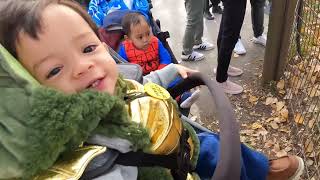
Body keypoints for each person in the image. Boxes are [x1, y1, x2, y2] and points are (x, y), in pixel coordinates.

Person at [0, 0, 304, 179]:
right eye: (54, 69)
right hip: (172, 165)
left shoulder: (110, 81)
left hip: (178, 134)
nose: (82, 66)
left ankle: (260, 169)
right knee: (217, 149)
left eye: (89, 47)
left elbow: (139, 86)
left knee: (220, 141)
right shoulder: (86, 160)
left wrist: (173, 70)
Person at [118, 12, 200, 109]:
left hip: (161, 71)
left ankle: (183, 97)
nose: (145, 39)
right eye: (140, 37)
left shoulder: (155, 41)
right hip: (144, 79)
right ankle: (174, 100)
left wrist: (161, 71)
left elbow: (166, 58)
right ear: (128, 39)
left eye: (148, 33)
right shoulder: (124, 50)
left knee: (177, 78)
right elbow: (125, 69)